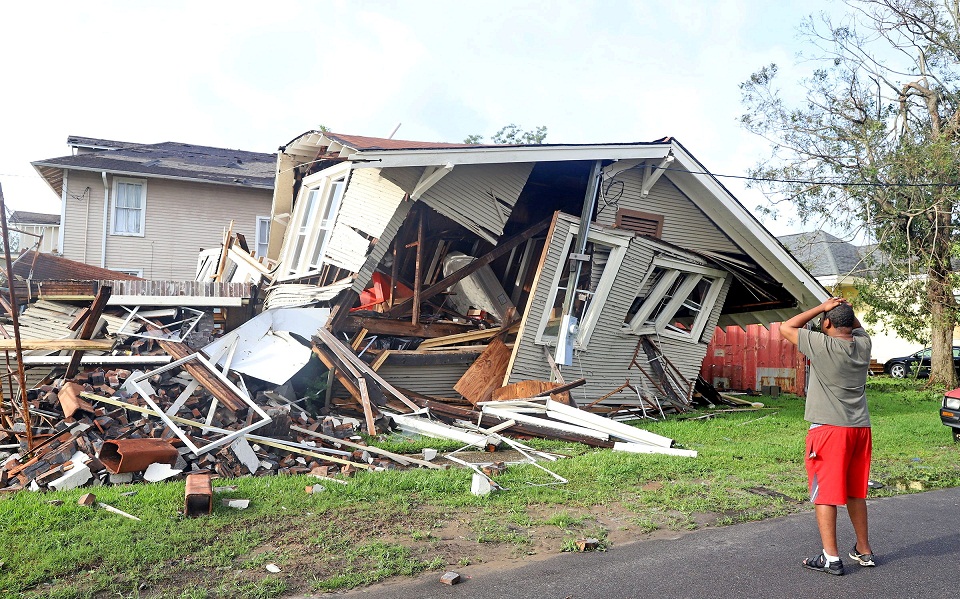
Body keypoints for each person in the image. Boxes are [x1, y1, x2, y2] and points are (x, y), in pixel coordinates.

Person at [780, 297, 875, 576]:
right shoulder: (863, 344)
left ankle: (831, 558)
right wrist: (841, 313)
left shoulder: (822, 344)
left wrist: (823, 306)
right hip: (860, 429)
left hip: (829, 430)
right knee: (855, 491)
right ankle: (864, 551)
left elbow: (787, 326)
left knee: (826, 494)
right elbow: (854, 326)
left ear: (827, 323)